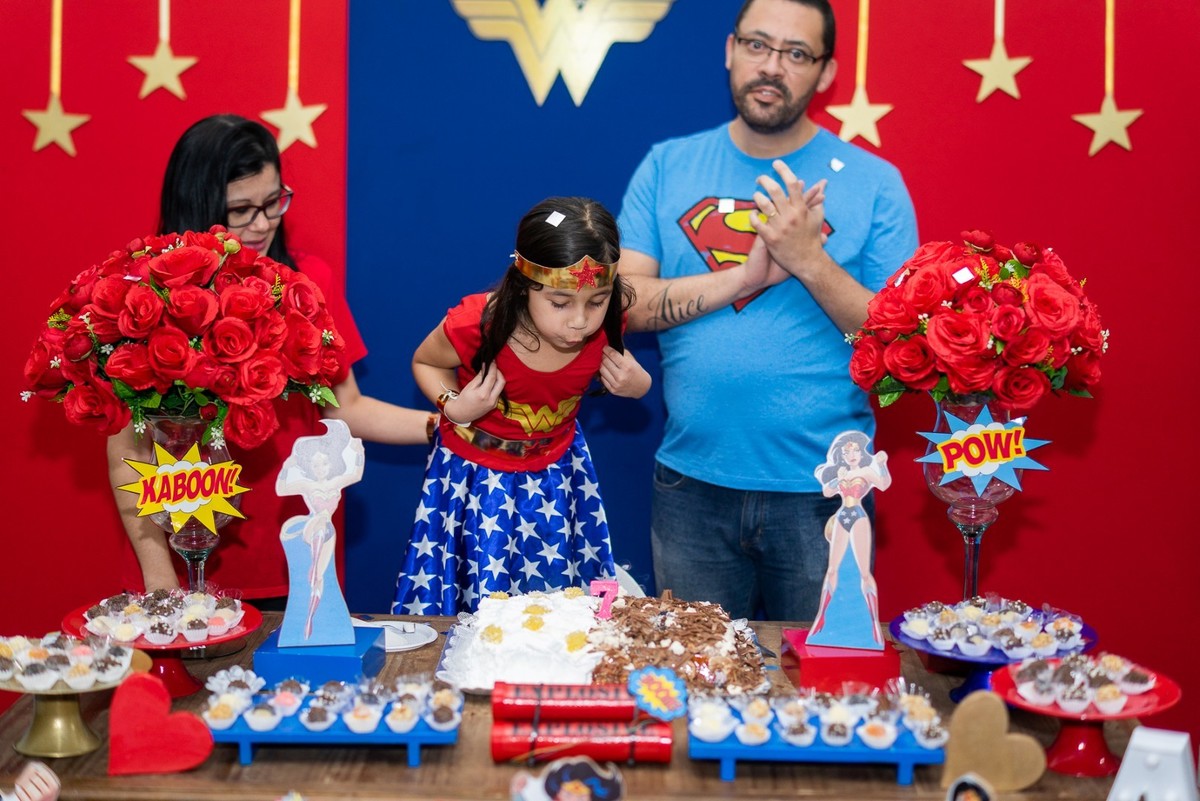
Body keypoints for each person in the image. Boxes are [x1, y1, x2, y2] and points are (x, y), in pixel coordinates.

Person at [617, 0, 918, 620]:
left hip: (828, 496)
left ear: (826, 73)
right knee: (694, 689)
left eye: (796, 53)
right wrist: (746, 277)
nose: (771, 67)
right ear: (730, 51)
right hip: (690, 487)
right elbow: (620, 305)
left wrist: (809, 259)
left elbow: (900, 342)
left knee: (821, 688)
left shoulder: (876, 182)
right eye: (758, 45)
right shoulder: (668, 165)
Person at [107, 114, 433, 606]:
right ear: (199, 203)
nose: (262, 223)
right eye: (241, 209)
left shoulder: (307, 281)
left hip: (294, 554)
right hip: (184, 558)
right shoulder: (144, 298)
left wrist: (446, 421)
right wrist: (160, 582)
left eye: (273, 201)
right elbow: (126, 452)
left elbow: (343, 407)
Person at [393, 197, 651, 615]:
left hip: (558, 476)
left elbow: (626, 368)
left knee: (556, 606)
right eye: (560, 303)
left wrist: (640, 386)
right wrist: (453, 406)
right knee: (481, 603)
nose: (581, 321)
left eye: (598, 300)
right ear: (523, 282)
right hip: (474, 480)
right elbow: (424, 362)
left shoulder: (610, 323)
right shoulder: (476, 323)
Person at [278, 419, 363, 642]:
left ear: (330, 463)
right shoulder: (308, 485)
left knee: (319, 576)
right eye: (315, 465)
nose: (320, 468)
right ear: (309, 467)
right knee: (314, 570)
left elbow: (356, 474)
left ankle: (311, 620)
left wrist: (358, 452)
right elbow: (282, 488)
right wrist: (287, 467)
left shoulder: (336, 482)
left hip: (328, 531)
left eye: (324, 464)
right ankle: (307, 622)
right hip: (313, 527)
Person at [808, 431, 891, 644]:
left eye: (854, 450)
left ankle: (873, 623)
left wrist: (882, 463)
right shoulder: (842, 472)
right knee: (832, 569)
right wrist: (838, 478)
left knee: (864, 573)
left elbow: (883, 484)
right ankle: (822, 619)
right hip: (842, 515)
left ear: (860, 452)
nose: (851, 454)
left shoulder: (866, 471)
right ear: (842, 455)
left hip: (858, 516)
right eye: (846, 451)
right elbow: (827, 492)